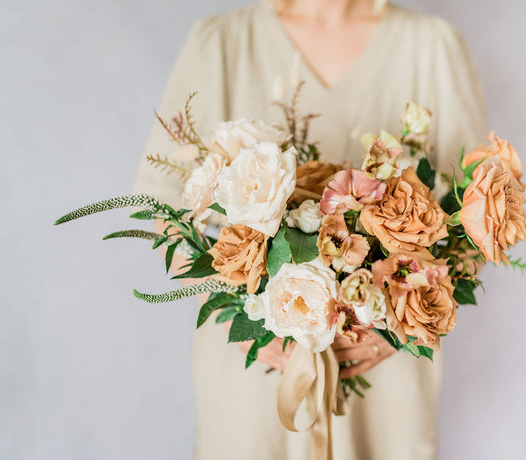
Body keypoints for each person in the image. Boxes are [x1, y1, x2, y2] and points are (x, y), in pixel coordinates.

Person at [132, 0, 487, 458]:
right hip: (256, 370)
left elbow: (477, 213)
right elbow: (160, 200)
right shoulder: (221, 43)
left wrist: (394, 328)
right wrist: (246, 315)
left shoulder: (431, 46)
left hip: (381, 373)